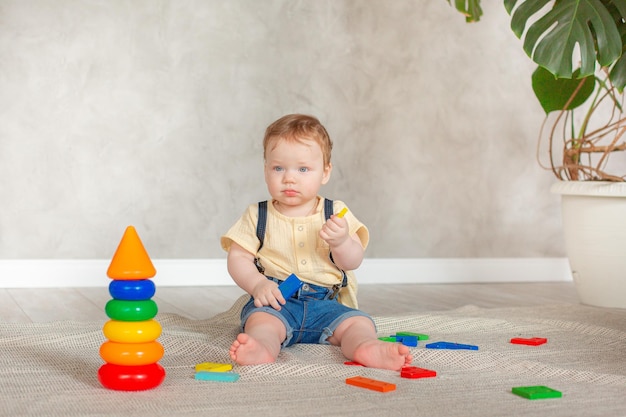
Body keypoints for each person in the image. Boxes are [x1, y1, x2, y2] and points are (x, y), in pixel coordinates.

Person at [221, 114, 412, 371]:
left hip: (327, 303)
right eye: (278, 168)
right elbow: (238, 258)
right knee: (262, 324)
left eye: (303, 169)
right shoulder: (257, 214)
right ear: (266, 169)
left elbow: (352, 261)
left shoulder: (335, 212)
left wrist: (342, 241)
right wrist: (257, 284)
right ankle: (262, 348)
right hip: (277, 301)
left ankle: (366, 347)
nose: (289, 178)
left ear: (325, 172)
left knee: (357, 324)